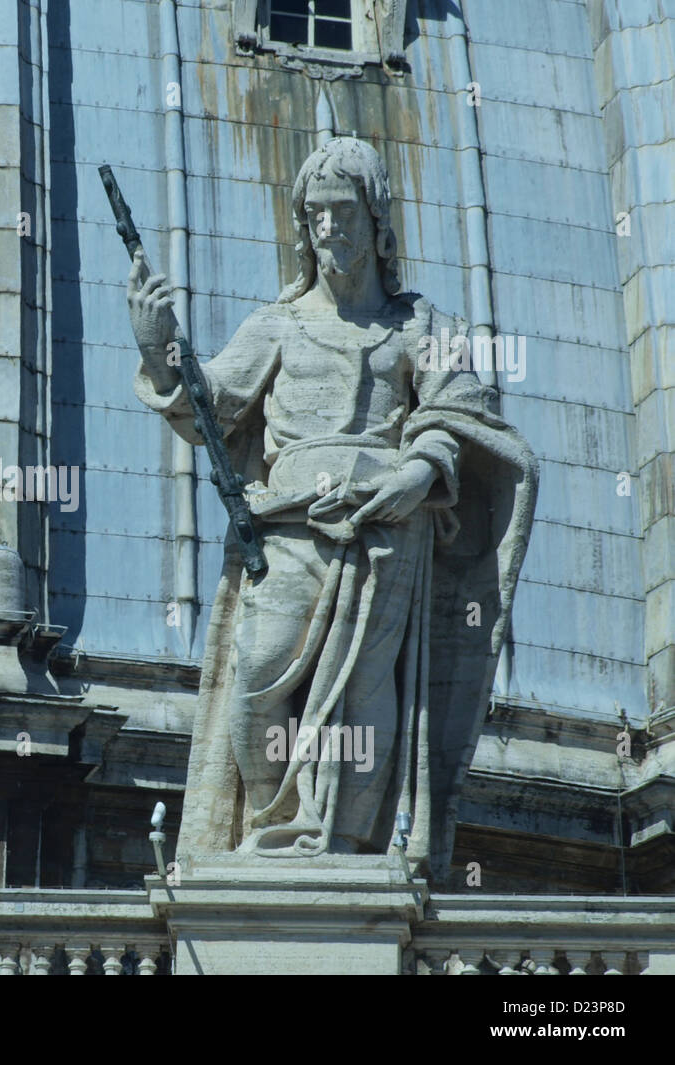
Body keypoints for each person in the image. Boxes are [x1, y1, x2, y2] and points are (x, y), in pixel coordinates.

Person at [127, 137, 537, 880]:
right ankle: (275, 829)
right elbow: (211, 405)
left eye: (343, 212)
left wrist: (420, 470)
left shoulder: (417, 327)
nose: (328, 229)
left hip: (385, 531)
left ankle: (344, 848)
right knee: (256, 669)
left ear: (377, 221)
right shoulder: (277, 325)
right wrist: (162, 351)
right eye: (315, 215)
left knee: (366, 689)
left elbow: (460, 416)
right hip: (287, 528)